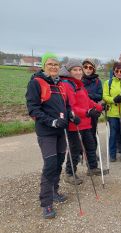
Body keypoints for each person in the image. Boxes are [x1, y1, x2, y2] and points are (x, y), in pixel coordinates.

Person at [26, 52, 70, 219]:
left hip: (60, 131)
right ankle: (46, 203)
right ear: (44, 66)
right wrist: (52, 122)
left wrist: (70, 115)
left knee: (59, 162)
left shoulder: (60, 85)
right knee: (50, 164)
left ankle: (54, 191)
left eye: (56, 65)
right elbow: (33, 110)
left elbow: (65, 106)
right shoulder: (36, 83)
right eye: (50, 64)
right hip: (46, 132)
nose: (53, 67)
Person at [60, 60, 103, 185]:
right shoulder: (67, 85)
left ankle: (92, 168)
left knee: (90, 146)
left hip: (85, 124)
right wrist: (88, 112)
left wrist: (100, 107)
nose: (78, 72)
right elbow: (71, 107)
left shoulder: (79, 84)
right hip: (75, 124)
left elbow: (88, 101)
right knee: (75, 150)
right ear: (69, 71)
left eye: (80, 70)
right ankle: (70, 173)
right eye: (75, 70)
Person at [103, 62, 121, 162]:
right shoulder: (108, 83)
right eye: (117, 71)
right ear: (114, 72)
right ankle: (112, 154)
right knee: (114, 134)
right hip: (113, 113)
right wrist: (114, 99)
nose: (119, 73)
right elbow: (105, 96)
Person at [81, 58, 103, 151]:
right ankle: (82, 153)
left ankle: (92, 153)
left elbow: (100, 96)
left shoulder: (97, 81)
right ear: (82, 68)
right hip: (81, 110)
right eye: (86, 67)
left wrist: (88, 95)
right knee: (82, 132)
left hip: (93, 110)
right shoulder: (79, 80)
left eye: (90, 67)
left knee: (92, 132)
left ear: (93, 69)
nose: (88, 69)